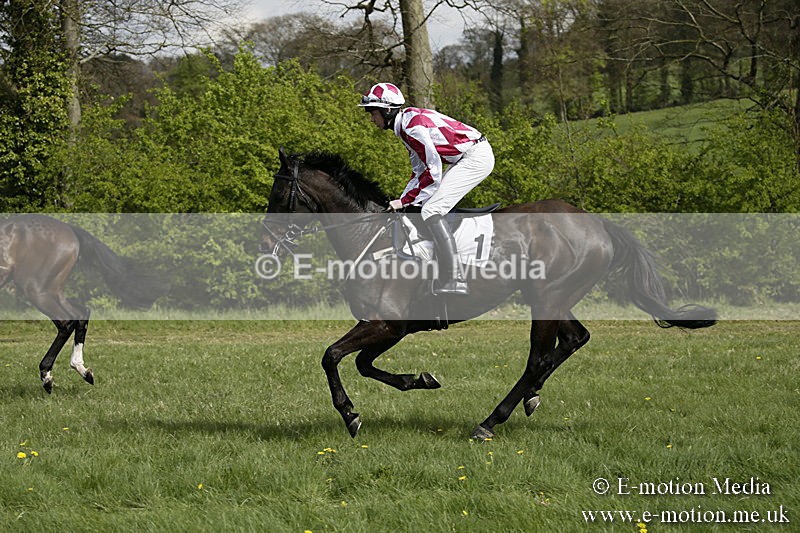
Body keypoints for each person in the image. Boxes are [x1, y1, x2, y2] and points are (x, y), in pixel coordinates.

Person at [358, 82, 495, 295]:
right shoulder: (405, 126)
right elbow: (418, 171)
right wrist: (403, 201)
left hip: (475, 158)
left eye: (372, 112)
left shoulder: (412, 128)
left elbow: (433, 171)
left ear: (386, 111)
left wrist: (403, 201)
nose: (371, 119)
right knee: (422, 204)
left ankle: (455, 277)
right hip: (466, 156)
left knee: (431, 210)